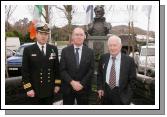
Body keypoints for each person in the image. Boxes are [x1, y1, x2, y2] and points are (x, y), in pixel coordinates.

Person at [22, 22, 61, 105]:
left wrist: (57, 85)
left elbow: (57, 69)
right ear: (36, 34)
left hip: (50, 90)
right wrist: (28, 88)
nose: (44, 36)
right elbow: (25, 72)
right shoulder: (28, 50)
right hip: (35, 91)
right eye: (41, 33)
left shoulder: (53, 49)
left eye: (46, 34)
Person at [97, 35, 136, 105]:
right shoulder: (103, 58)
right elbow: (100, 74)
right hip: (106, 94)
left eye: (115, 45)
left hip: (121, 95)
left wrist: (127, 97)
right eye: (110, 45)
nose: (112, 48)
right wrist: (100, 88)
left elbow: (133, 81)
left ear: (120, 46)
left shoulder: (129, 61)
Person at [60, 27, 94, 105]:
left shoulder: (90, 52)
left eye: (81, 35)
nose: (79, 37)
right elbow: (62, 69)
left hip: (84, 89)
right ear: (72, 36)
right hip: (68, 88)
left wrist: (81, 84)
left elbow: (91, 70)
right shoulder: (65, 51)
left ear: (84, 37)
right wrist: (72, 82)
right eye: (76, 35)